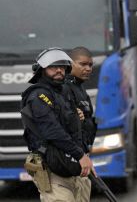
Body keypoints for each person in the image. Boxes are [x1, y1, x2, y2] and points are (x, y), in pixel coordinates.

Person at [21, 47, 95, 202]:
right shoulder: (38, 96)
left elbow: (76, 130)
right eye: (53, 67)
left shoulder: (64, 93)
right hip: (51, 170)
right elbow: (52, 130)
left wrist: (85, 158)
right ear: (42, 70)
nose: (59, 70)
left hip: (72, 166)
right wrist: (80, 156)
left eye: (62, 67)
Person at [64, 47, 97, 155]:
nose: (88, 69)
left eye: (90, 65)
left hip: (84, 151)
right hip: (71, 153)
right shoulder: (63, 87)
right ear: (70, 64)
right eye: (83, 64)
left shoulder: (80, 88)